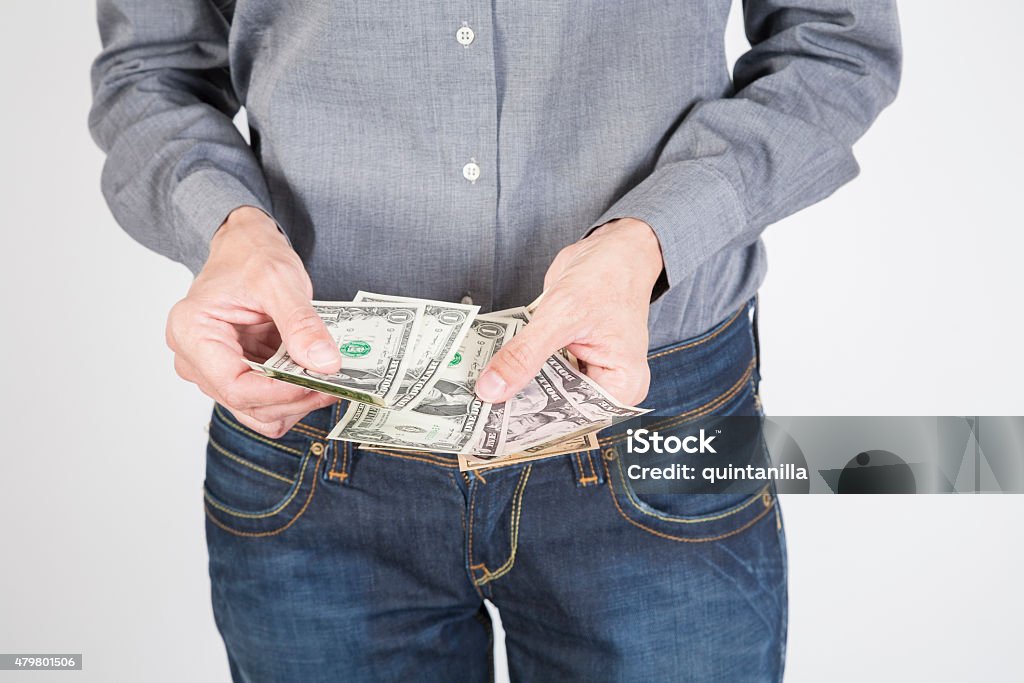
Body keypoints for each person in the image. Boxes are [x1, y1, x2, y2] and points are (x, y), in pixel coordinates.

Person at [90, 1, 900, 680]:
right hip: (313, 426)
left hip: (654, 412)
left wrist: (653, 236)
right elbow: (149, 72)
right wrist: (225, 224)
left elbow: (834, 42)